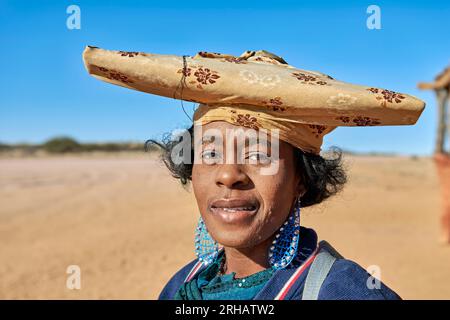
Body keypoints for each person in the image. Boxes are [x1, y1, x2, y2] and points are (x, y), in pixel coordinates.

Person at [83, 47, 426, 300]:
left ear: (301, 179)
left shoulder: (344, 292)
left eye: (259, 155)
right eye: (211, 153)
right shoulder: (180, 288)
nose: (229, 174)